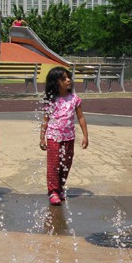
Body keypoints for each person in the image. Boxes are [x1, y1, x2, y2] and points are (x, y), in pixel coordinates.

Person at [39, 67, 89, 206]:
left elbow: (81, 117)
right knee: (54, 165)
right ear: (56, 83)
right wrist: (42, 137)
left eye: (68, 78)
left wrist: (85, 135)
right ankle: (53, 191)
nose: (68, 80)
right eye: (64, 79)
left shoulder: (74, 99)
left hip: (69, 137)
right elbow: (45, 119)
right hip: (53, 137)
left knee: (66, 163)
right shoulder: (51, 100)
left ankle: (60, 186)